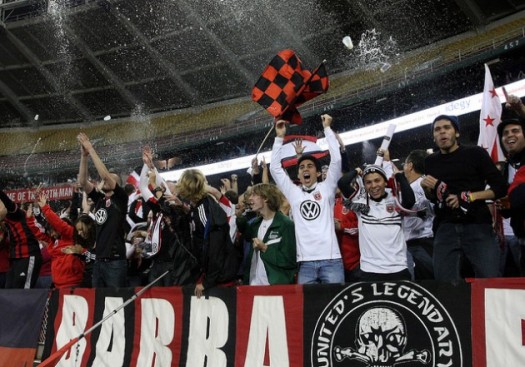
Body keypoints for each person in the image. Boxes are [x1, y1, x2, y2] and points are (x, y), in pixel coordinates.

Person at [421, 115, 507, 281]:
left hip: (477, 225)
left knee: (489, 280)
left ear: (457, 133)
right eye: (437, 130)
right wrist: (428, 190)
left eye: (447, 127)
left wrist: (471, 196)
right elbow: (434, 199)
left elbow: (500, 187)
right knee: (444, 283)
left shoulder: (475, 153)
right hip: (445, 228)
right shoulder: (430, 161)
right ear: (433, 136)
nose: (442, 132)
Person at [270, 114, 344, 284]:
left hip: (331, 260)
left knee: (334, 308)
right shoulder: (294, 193)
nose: (305, 169)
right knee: (309, 310)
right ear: (298, 175)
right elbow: (275, 168)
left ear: (318, 173)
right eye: (302, 167)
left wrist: (327, 129)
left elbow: (336, 160)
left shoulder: (327, 188)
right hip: (305, 264)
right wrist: (279, 137)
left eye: (310, 166)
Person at [338, 164, 415, 281]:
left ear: (385, 181)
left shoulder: (395, 199)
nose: (373, 186)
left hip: (398, 268)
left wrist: (399, 176)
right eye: (368, 182)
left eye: (377, 180)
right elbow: (342, 183)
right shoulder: (360, 203)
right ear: (364, 185)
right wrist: (356, 170)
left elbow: (410, 201)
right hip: (369, 270)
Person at [176, 169, 239, 298]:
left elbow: (215, 248)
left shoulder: (205, 210)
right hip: (213, 275)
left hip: (219, 278)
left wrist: (208, 281)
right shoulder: (198, 208)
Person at [77, 132, 128, 288]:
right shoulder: (99, 199)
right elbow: (83, 182)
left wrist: (91, 149)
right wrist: (84, 156)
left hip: (115, 261)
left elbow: (105, 176)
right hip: (99, 260)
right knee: (98, 302)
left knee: (115, 300)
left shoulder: (121, 198)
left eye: (110, 179)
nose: (105, 180)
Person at [243, 183, 297, 285]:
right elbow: (244, 236)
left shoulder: (286, 224)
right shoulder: (254, 224)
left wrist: (265, 248)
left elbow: (290, 261)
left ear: (266, 198)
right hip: (253, 285)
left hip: (275, 288)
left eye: (254, 195)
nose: (250, 198)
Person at [497, 115, 525, 275]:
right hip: (518, 238)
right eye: (505, 133)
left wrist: (521, 110)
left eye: (515, 130)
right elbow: (508, 206)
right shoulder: (506, 168)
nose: (509, 135)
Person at [401, 149, 435, 280]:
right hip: (424, 242)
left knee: (425, 285)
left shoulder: (417, 186)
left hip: (420, 243)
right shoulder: (424, 183)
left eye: (404, 164)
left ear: (410, 165)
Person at [0, 189, 42, 288]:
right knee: (9, 293)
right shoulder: (4, 222)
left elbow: (5, 199)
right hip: (15, 259)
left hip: (28, 256)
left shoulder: (16, 213)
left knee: (23, 292)